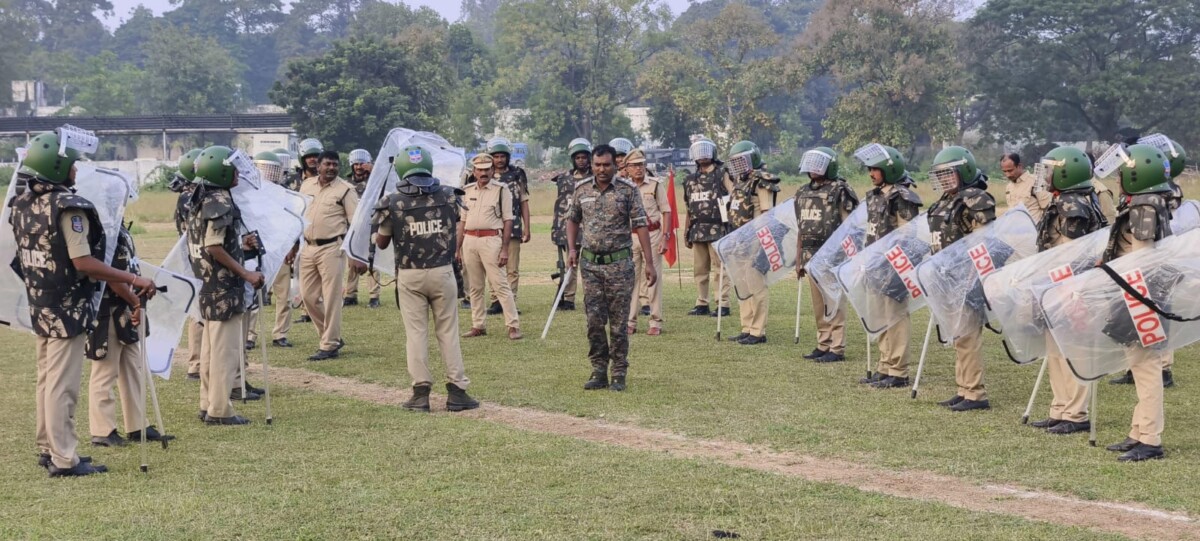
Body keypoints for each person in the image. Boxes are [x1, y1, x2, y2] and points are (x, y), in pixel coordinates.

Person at [15, 128, 157, 476]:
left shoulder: (22, 203)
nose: (76, 171)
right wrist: (133, 279)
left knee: (46, 381)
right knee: (62, 386)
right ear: (57, 167)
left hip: (41, 305)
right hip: (67, 308)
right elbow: (83, 262)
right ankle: (65, 458)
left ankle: (48, 447)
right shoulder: (69, 209)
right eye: (72, 165)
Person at [374, 145, 479, 412]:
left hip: (410, 274)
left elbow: (382, 243)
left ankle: (420, 394)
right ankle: (457, 391)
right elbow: (454, 221)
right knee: (448, 333)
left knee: (416, 334)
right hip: (442, 271)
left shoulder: (393, 201)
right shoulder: (448, 194)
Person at [1100, 143, 1175, 462]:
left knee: (1146, 367)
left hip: (1140, 294)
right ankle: (1139, 431)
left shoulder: (1145, 205)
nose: (1119, 180)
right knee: (1140, 364)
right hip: (1136, 292)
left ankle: (1151, 438)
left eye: (1124, 174)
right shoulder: (1148, 201)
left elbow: (1141, 258)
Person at [1027, 146, 1106, 434]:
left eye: (1051, 169)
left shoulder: (1075, 205)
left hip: (1070, 285)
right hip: (1055, 284)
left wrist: (1064, 288)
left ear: (1065, 172)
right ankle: (1060, 408)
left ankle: (1076, 413)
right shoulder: (1066, 200)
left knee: (1072, 350)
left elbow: (1071, 252)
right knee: (1055, 350)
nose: (1046, 175)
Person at [567, 144, 655, 391]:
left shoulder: (628, 191)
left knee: (618, 323)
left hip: (619, 265)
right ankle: (598, 370)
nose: (602, 169)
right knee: (594, 321)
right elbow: (572, 220)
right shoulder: (581, 189)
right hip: (591, 265)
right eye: (597, 165)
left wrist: (649, 263)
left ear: (616, 165)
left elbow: (640, 226)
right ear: (592, 165)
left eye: (606, 165)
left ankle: (618, 372)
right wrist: (572, 249)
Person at [188, 146, 265, 425]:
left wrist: (240, 247)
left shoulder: (201, 198)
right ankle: (220, 410)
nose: (238, 173)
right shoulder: (220, 201)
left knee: (211, 349)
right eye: (233, 168)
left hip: (207, 286)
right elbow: (214, 246)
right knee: (225, 352)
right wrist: (245, 273)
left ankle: (208, 402)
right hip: (223, 288)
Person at [86, 225, 170, 447]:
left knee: (132, 367)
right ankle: (102, 430)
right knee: (105, 370)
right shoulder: (101, 229)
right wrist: (134, 300)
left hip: (124, 306)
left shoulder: (118, 226)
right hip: (107, 309)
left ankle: (137, 424)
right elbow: (110, 276)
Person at [927, 146, 996, 411]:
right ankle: (963, 387)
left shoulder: (975, 198)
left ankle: (975, 393)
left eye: (949, 174)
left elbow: (983, 243)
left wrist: (972, 279)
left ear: (963, 171)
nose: (944, 179)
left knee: (968, 337)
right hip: (946, 279)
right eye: (941, 175)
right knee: (958, 338)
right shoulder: (947, 199)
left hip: (966, 279)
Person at [288, 150, 364, 361]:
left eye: (335, 165)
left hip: (332, 248)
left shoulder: (345, 190)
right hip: (307, 248)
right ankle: (331, 336)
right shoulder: (306, 185)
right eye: (327, 164)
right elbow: (297, 217)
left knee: (331, 298)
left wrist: (355, 254)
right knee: (309, 297)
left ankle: (329, 344)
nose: (331, 168)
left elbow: (355, 224)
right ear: (318, 166)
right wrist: (293, 245)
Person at [856, 144, 922, 385]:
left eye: (875, 169)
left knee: (896, 317)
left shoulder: (902, 197)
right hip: (875, 266)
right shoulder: (874, 195)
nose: (871, 173)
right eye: (870, 169)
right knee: (881, 318)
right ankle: (884, 365)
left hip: (894, 268)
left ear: (888, 170)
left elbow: (908, 236)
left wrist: (901, 271)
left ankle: (898, 370)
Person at [795, 147, 859, 362]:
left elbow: (851, 226)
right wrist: (799, 259)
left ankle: (837, 347)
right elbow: (801, 228)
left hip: (833, 257)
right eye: (810, 165)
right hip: (810, 257)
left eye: (818, 165)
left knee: (834, 302)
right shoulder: (803, 192)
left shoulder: (841, 190)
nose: (813, 170)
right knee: (818, 304)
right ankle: (823, 343)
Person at [457, 154, 522, 340]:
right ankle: (478, 325)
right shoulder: (467, 190)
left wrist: (504, 248)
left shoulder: (502, 190)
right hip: (470, 240)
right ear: (474, 172)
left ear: (492, 170)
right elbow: (462, 221)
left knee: (500, 284)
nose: (483, 173)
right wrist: (457, 248)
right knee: (475, 287)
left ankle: (513, 325)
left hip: (491, 240)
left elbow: (508, 220)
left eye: (487, 169)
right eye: (480, 169)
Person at [722, 141, 780, 345]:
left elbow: (767, 213)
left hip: (755, 240)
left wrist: (763, 243)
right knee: (742, 285)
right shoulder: (740, 181)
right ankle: (746, 326)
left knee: (756, 284)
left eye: (741, 160)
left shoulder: (761, 181)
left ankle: (758, 330)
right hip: (738, 241)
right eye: (734, 161)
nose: (737, 165)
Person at [243, 151, 296, 350]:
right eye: (265, 168)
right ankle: (249, 334)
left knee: (284, 294)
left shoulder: (284, 195)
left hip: (279, 249)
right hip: (256, 252)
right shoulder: (248, 195)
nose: (269, 173)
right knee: (253, 294)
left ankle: (280, 333)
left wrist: (291, 246)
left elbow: (292, 222)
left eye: (273, 169)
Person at [683, 138, 733, 317]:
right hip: (697, 230)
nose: (702, 155)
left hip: (718, 229)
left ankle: (723, 304)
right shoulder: (689, 180)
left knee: (720, 269)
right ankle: (702, 302)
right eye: (699, 152)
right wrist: (686, 231)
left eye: (705, 151)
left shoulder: (722, 174)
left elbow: (733, 197)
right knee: (700, 269)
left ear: (712, 153)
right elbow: (689, 207)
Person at [624, 149, 670, 336]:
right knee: (631, 280)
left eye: (641, 164)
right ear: (627, 168)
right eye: (634, 165)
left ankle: (655, 321)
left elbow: (666, 211)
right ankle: (630, 321)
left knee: (654, 278)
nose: (639, 169)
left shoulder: (655, 185)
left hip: (653, 235)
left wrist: (665, 237)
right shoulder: (624, 187)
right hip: (631, 236)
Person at [484, 138, 530, 315]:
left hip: (514, 227)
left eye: (503, 156)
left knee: (512, 268)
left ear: (508, 157)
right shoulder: (483, 175)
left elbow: (524, 202)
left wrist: (527, 228)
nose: (499, 160)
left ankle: (511, 302)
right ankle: (495, 301)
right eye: (496, 156)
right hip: (491, 228)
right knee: (493, 266)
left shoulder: (517, 175)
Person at [172, 148, 205, 380]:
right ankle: (196, 363)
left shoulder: (187, 195)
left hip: (193, 257)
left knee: (199, 312)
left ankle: (198, 362)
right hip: (198, 259)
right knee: (199, 313)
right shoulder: (190, 197)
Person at [550, 138, 592, 311]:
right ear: (573, 159)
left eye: (584, 157)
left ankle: (592, 297)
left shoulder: (595, 178)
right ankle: (568, 297)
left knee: (589, 265)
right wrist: (557, 230)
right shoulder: (564, 179)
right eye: (578, 157)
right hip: (570, 227)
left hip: (591, 227)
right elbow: (560, 206)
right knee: (570, 263)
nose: (581, 160)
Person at [344, 148, 381, 308]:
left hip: (371, 225)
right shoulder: (346, 183)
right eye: (356, 164)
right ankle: (350, 294)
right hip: (352, 226)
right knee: (352, 260)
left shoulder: (375, 181)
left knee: (372, 259)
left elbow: (384, 178)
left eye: (362, 164)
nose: (359, 167)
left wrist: (373, 169)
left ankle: (374, 296)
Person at [1000, 153, 1051, 222]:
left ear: (1019, 166)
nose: (1007, 175)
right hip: (1014, 230)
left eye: (1010, 170)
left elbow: (1048, 208)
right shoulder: (1009, 186)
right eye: (1004, 171)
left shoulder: (1036, 182)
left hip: (1033, 230)